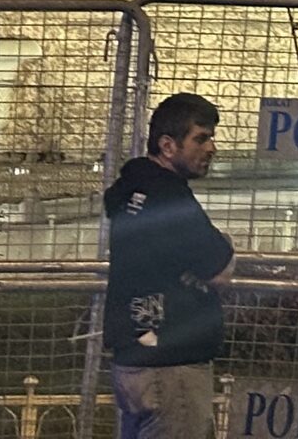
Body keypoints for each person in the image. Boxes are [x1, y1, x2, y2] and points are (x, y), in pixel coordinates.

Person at [105, 92, 235, 439]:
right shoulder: (170, 197)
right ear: (167, 145)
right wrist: (226, 245)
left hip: (134, 358)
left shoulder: (132, 189)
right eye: (201, 138)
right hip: (172, 363)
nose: (211, 148)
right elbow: (220, 270)